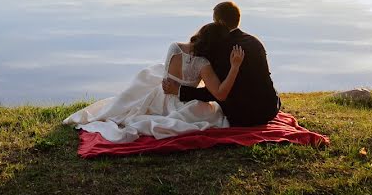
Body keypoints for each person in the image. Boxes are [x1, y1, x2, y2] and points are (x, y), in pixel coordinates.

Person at [63, 21, 245, 142]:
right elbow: (220, 93)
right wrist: (235, 67)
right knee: (214, 114)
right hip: (182, 103)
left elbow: (169, 74)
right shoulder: (204, 63)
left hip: (160, 97)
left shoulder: (174, 47)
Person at [162, 1, 280, 126]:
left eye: (214, 20)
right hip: (269, 109)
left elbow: (217, 92)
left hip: (241, 116)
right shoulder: (255, 41)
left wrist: (180, 90)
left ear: (220, 23)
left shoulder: (218, 47)